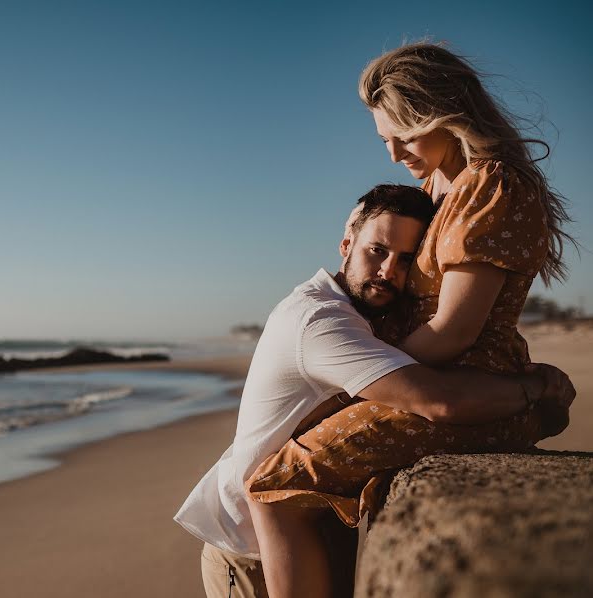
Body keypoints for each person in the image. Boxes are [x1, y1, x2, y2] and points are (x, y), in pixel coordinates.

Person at [246, 42, 577, 597]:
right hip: (438, 379)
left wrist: (364, 387)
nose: (396, 152)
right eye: (385, 139)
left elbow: (454, 331)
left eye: (409, 133)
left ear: (450, 114)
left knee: (276, 482)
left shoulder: (488, 185)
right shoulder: (433, 190)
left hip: (467, 385)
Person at [173, 184, 573, 598]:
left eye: (405, 260)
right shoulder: (321, 321)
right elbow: (438, 400)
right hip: (248, 552)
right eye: (377, 251)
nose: (388, 272)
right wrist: (537, 386)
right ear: (347, 244)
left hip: (315, 520)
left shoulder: (366, 317)